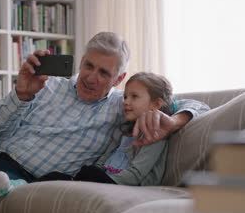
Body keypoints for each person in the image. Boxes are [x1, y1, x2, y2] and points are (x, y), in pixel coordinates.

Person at [0, 32, 210, 200]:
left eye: (103, 72)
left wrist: (174, 121)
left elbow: (196, 106)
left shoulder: (123, 105)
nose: (92, 77)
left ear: (119, 78)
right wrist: (21, 94)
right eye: (89, 65)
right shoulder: (46, 84)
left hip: (25, 178)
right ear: (81, 62)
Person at [13, 72, 175, 188]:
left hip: (126, 183)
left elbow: (137, 174)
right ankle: (19, 188)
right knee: (56, 176)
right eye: (125, 96)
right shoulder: (123, 131)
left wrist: (103, 180)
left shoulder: (156, 135)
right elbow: (103, 160)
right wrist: (96, 172)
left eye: (134, 97)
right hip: (105, 177)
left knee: (87, 174)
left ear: (156, 104)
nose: (125, 102)